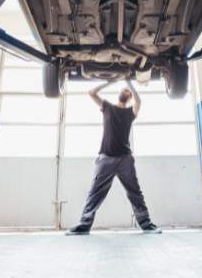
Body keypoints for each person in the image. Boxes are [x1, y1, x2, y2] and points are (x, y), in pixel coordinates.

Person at [66, 79, 161, 235]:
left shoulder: (131, 112)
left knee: (135, 192)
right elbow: (91, 93)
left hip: (125, 159)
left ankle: (147, 225)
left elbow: (139, 100)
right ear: (119, 94)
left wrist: (129, 82)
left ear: (130, 96)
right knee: (95, 193)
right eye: (124, 90)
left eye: (128, 91)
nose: (126, 91)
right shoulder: (107, 107)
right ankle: (83, 226)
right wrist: (111, 81)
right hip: (105, 158)